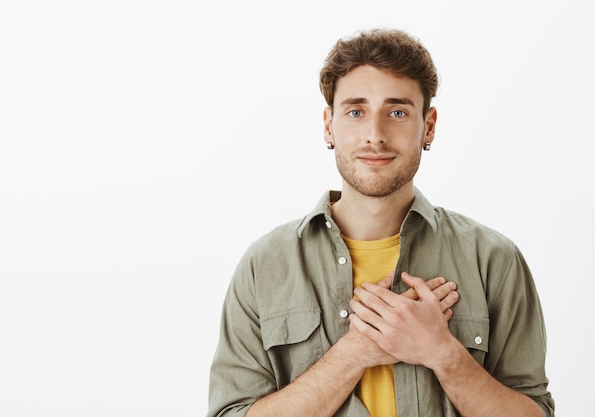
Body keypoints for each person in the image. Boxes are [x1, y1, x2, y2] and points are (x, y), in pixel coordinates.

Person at [206, 28, 554, 417]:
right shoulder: (265, 265)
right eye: (356, 112)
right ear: (329, 125)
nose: (375, 135)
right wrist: (356, 352)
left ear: (429, 126)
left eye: (398, 112)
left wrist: (443, 353)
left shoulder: (494, 260)